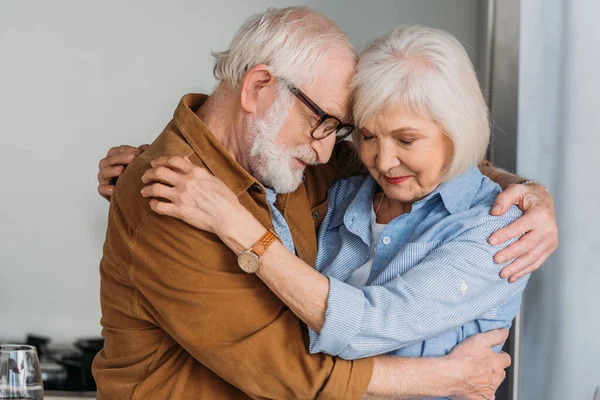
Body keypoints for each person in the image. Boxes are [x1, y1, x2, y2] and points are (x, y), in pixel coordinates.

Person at [95, 7, 558, 400]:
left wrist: (531, 194)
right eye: (329, 125)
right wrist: (447, 376)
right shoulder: (173, 194)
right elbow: (291, 371)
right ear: (258, 88)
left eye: (339, 131)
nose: (326, 152)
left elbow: (441, 164)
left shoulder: (299, 161)